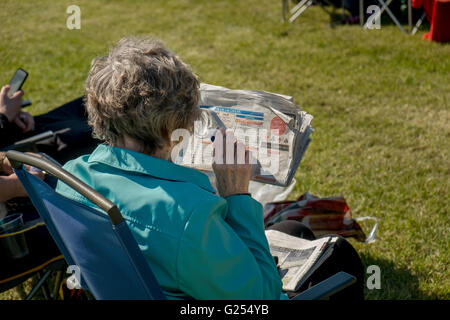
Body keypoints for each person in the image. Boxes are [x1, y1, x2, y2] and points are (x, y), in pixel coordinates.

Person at [56, 36, 364, 300]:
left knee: (294, 231)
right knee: (341, 260)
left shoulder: (72, 176)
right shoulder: (190, 215)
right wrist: (237, 195)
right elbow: (263, 298)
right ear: (174, 127)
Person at [0, 83, 99, 202]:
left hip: (20, 134)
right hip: (28, 170)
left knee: (97, 103)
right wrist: (14, 186)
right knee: (98, 131)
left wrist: (7, 117)